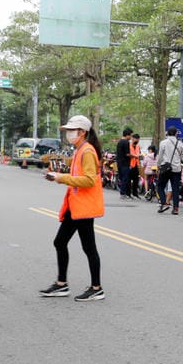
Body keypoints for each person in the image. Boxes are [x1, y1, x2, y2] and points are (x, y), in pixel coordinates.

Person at [41, 115, 106, 302]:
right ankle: (62, 284)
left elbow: (88, 180)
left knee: (88, 247)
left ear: (83, 132)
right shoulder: (80, 149)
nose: (69, 133)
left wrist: (61, 178)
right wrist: (58, 176)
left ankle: (96, 288)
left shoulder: (87, 151)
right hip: (75, 205)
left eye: (72, 130)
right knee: (60, 242)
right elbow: (78, 176)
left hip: (83, 207)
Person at [155, 126, 182, 215]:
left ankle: (164, 203)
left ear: (167, 133)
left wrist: (158, 166)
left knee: (160, 186)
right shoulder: (180, 143)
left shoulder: (163, 143)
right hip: (176, 169)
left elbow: (160, 156)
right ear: (176, 133)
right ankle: (176, 209)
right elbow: (181, 156)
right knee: (175, 189)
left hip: (165, 168)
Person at [115, 128, 133, 199]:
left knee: (122, 178)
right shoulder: (126, 142)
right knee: (125, 178)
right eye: (130, 136)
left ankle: (122, 193)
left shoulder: (119, 142)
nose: (131, 137)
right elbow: (127, 154)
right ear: (127, 135)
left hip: (119, 162)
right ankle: (123, 193)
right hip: (125, 163)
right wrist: (134, 156)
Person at [129, 133, 142, 198]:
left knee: (136, 180)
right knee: (128, 180)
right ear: (132, 139)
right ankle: (128, 193)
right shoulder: (128, 145)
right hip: (130, 165)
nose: (137, 140)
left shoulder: (138, 146)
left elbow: (139, 154)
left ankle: (135, 193)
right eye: (136, 139)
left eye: (138, 139)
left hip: (136, 164)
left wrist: (139, 163)